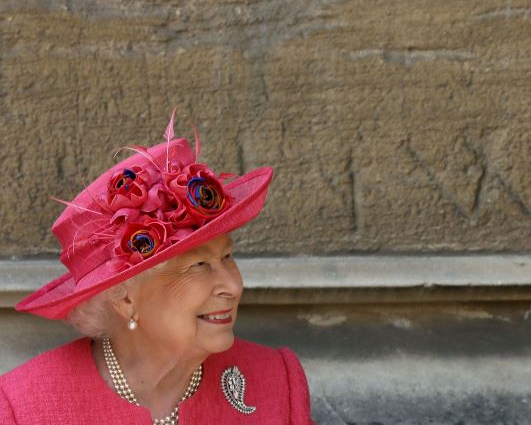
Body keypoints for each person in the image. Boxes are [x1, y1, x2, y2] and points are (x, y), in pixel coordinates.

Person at [0, 112, 314, 424]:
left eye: (227, 257)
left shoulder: (276, 382)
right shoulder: (24, 409)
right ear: (125, 298)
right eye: (199, 265)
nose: (233, 286)